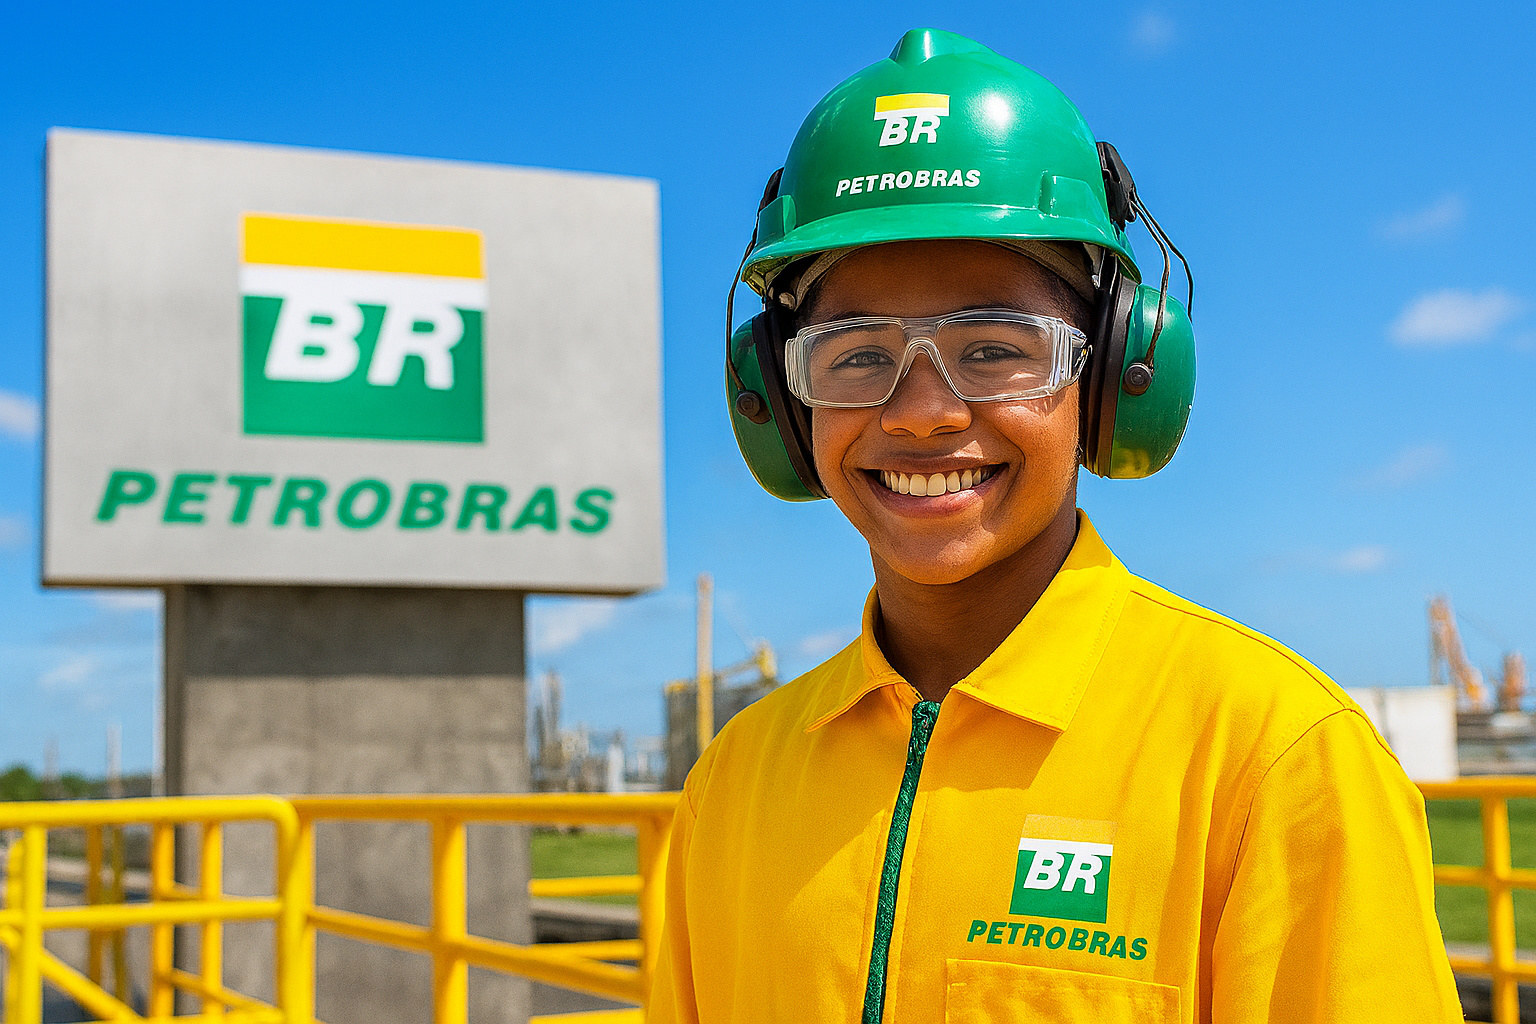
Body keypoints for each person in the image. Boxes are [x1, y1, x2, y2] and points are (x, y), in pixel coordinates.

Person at [651, 27, 1462, 1023]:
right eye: (854, 355)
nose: (921, 412)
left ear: (1120, 375)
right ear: (780, 401)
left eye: (996, 349)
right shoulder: (733, 784)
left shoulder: (1272, 759)